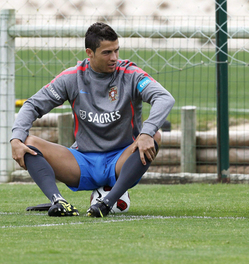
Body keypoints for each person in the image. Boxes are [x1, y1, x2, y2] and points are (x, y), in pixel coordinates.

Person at [10, 22, 175, 218]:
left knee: (155, 135)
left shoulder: (131, 75)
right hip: (82, 162)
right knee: (26, 142)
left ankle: (107, 202)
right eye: (107, 53)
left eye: (116, 51)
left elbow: (165, 98)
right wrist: (15, 139)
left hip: (121, 161)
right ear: (90, 53)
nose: (114, 58)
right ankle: (58, 201)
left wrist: (146, 132)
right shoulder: (72, 77)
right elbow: (32, 105)